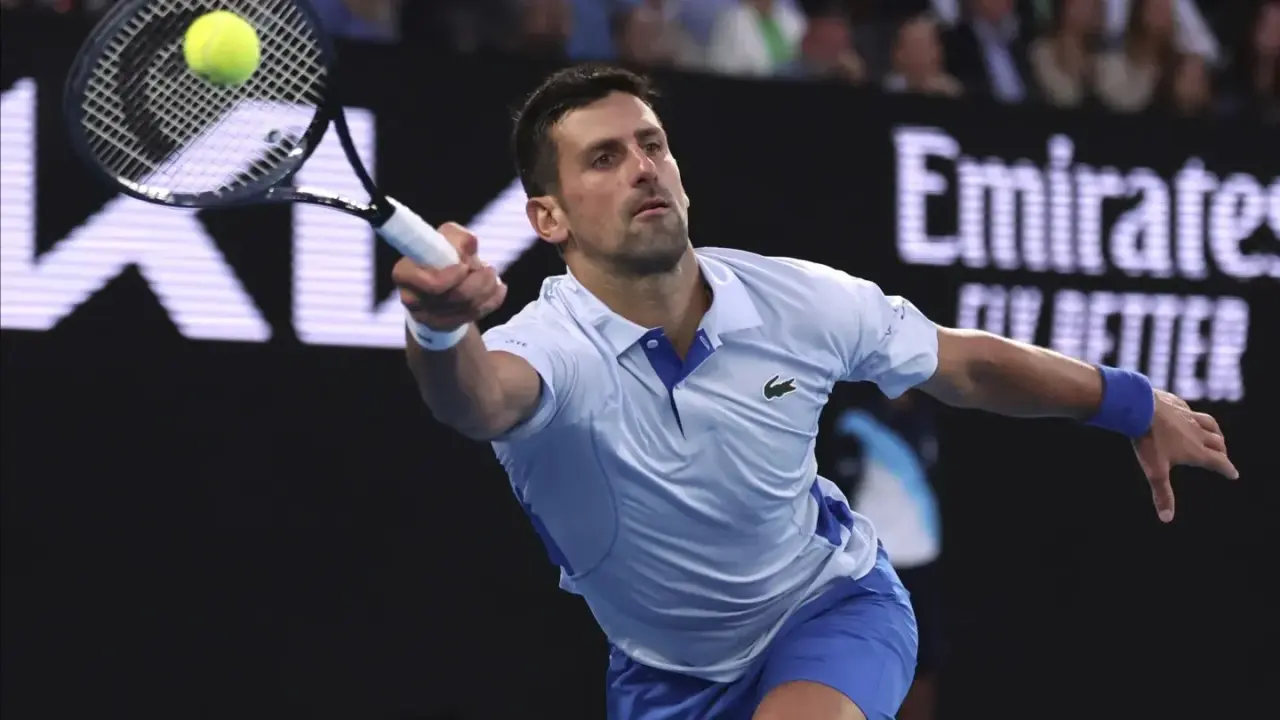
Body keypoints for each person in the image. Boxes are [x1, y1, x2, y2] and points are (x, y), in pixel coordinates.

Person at [390, 65, 1238, 720]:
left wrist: (1133, 402)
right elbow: (476, 401)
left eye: (653, 144)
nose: (643, 169)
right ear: (548, 218)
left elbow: (964, 364)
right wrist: (437, 328)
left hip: (829, 606)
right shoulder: (549, 347)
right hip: (662, 676)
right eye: (604, 158)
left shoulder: (799, 300)